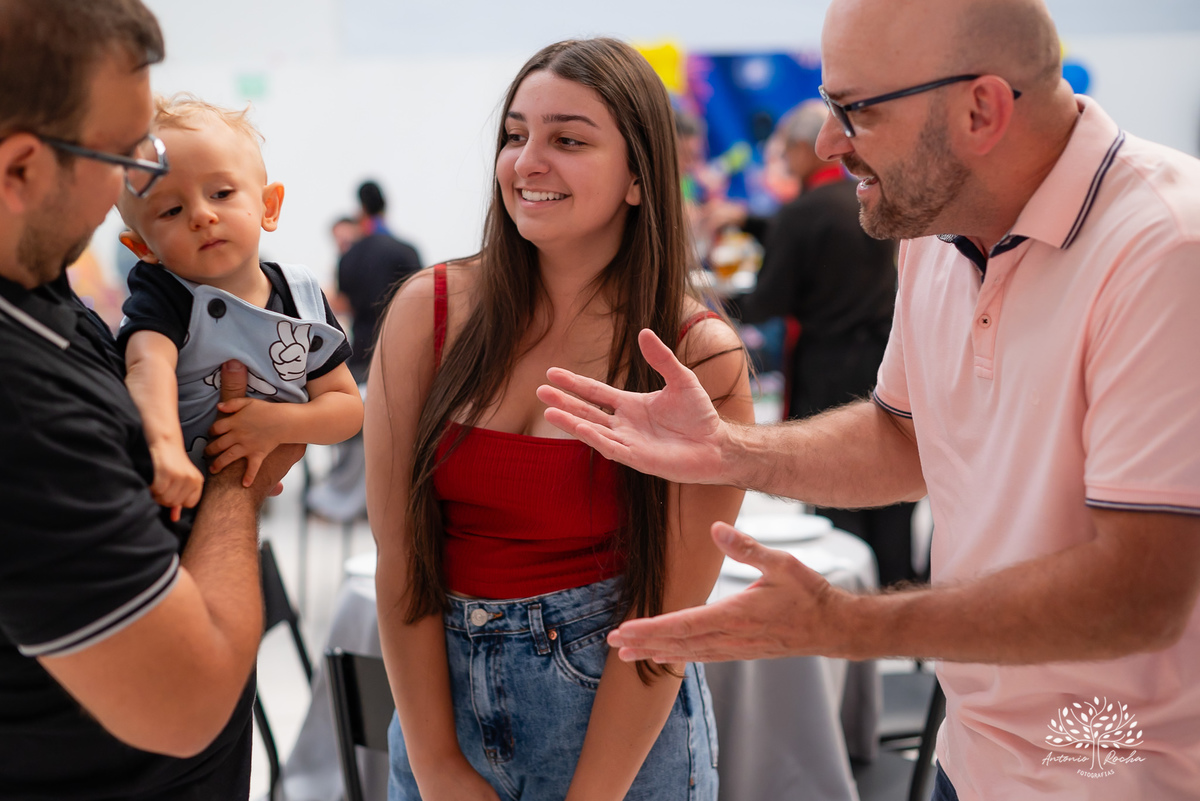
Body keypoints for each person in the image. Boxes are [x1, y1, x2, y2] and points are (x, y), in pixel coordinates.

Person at [537, 1, 1200, 798]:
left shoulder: (1168, 250)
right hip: (977, 751)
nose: (826, 142)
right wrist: (731, 450)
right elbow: (903, 437)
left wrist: (845, 626)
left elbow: (1141, 596)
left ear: (980, 108)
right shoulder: (938, 227)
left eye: (856, 110)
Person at [365, 38, 752, 801]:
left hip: (618, 735)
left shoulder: (695, 355)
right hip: (440, 720)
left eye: (568, 140)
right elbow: (400, 559)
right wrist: (439, 765)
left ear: (639, 176)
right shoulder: (428, 313)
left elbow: (661, 626)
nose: (526, 162)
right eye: (516, 135)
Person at [0, 2, 304, 798]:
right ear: (22, 170)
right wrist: (241, 460)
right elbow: (188, 702)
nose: (140, 177)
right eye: (126, 154)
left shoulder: (37, 289)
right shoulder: (20, 402)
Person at [115, 95, 362, 521]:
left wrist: (277, 425)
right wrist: (163, 447)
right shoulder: (164, 294)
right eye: (171, 210)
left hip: (243, 498)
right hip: (163, 497)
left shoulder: (300, 297)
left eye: (222, 192)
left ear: (269, 206)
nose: (202, 215)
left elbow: (346, 409)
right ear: (143, 247)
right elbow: (146, 368)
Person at [734, 99, 916, 586]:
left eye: (787, 151)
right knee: (897, 484)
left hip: (828, 365)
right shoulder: (866, 199)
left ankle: (849, 609)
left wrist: (710, 303)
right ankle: (900, 605)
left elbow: (768, 300)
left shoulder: (801, 212)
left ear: (802, 149)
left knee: (840, 487)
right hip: (885, 356)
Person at [338, 179, 422, 382]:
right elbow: (421, 302)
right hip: (402, 351)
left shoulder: (349, 256)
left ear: (362, 209)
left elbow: (345, 302)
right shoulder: (406, 251)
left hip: (362, 353)